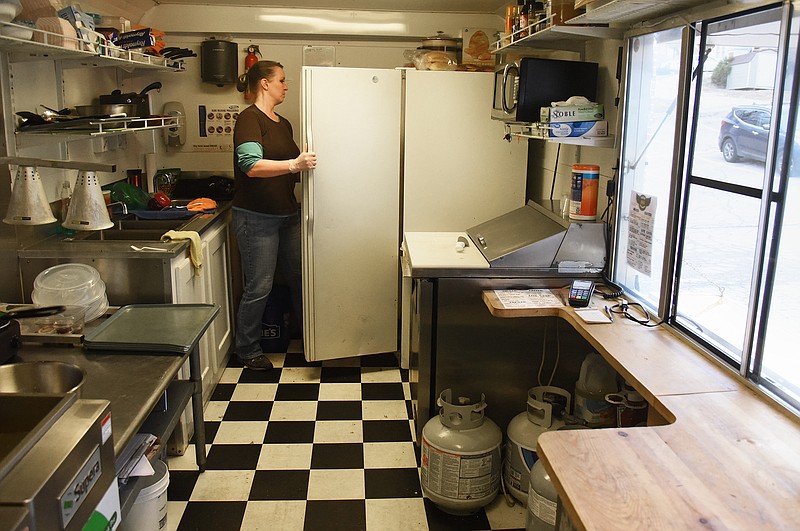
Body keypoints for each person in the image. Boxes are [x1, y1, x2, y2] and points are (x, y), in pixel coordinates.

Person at [232, 60, 316, 370]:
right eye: (281, 80)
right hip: (256, 218)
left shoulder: (282, 123)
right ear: (264, 84)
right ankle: (247, 348)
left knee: (299, 278)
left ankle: (312, 337)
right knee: (260, 286)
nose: (286, 85)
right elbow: (251, 166)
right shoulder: (249, 120)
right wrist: (295, 165)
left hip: (286, 214)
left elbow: (295, 166)